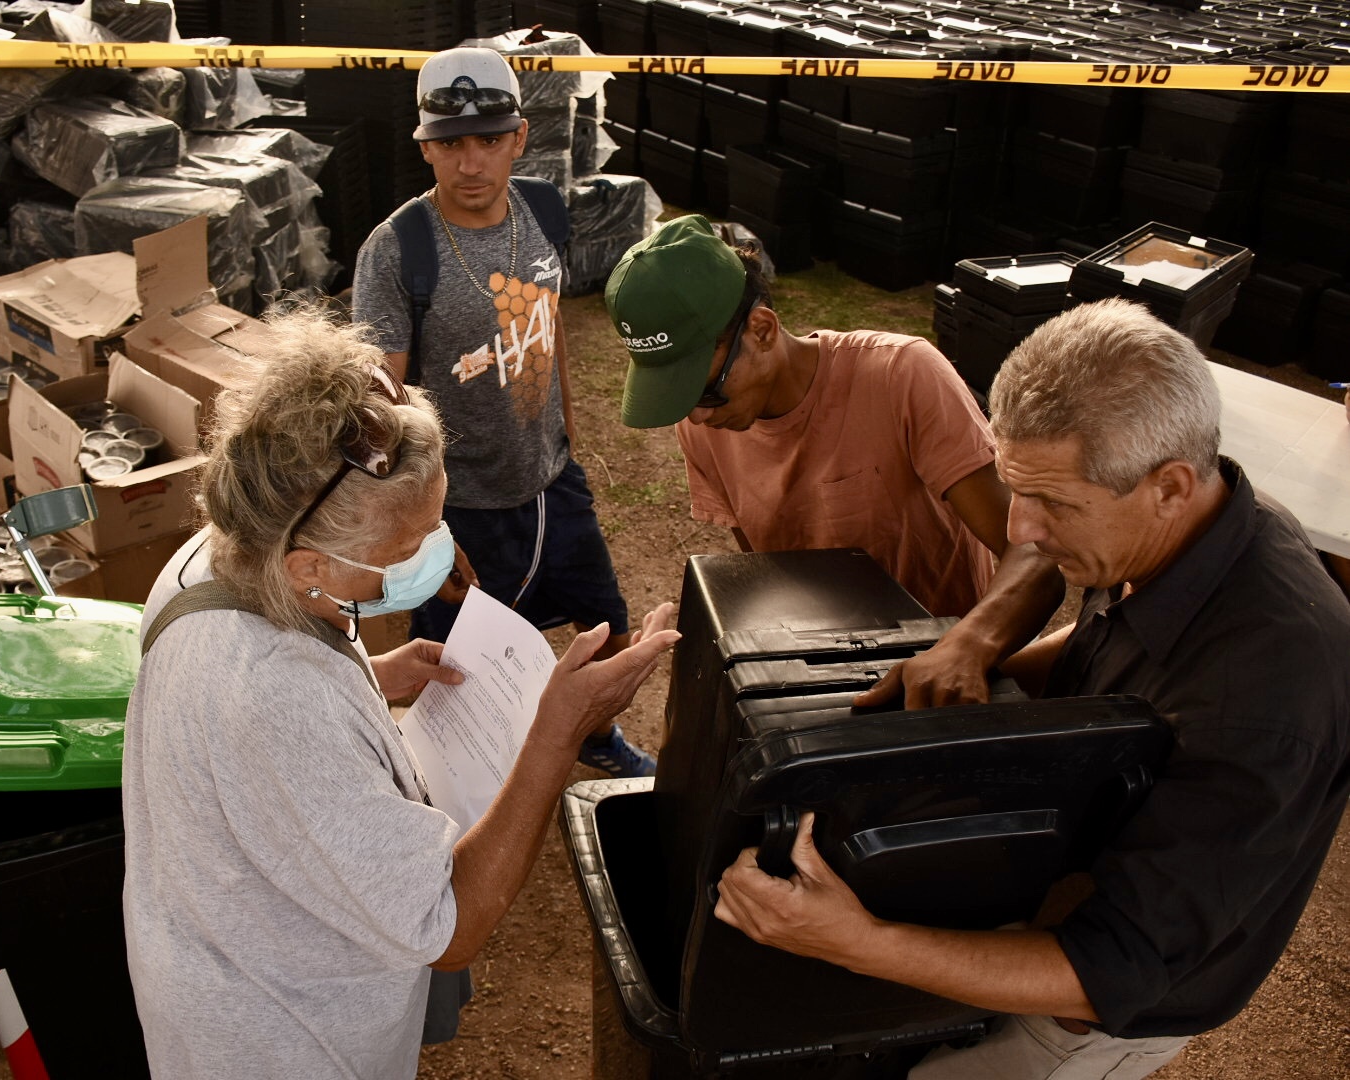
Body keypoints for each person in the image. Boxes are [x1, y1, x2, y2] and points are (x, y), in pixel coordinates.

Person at [713, 299, 1350, 1080]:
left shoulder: (1266, 698)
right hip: (1049, 895)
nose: (1020, 529)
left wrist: (853, 941)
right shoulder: (1178, 531)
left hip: (1076, 1017)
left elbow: (1106, 968)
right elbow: (1112, 650)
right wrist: (982, 665)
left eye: (1055, 503)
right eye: (1018, 487)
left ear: (1171, 485)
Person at [121, 308, 678, 1079]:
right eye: (410, 544)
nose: (439, 551)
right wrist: (557, 733)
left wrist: (371, 676)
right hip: (282, 1042)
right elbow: (446, 925)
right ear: (310, 567)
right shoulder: (276, 698)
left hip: (225, 956)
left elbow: (234, 737)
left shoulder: (223, 550)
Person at [606, 214, 1063, 704]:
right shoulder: (704, 428)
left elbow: (1039, 551)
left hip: (946, 676)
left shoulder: (902, 376)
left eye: (705, 390)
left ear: (762, 330)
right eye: (676, 398)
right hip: (833, 678)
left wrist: (968, 647)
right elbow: (770, 576)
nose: (695, 416)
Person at [351, 46, 657, 777]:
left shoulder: (547, 211)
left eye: (489, 139)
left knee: (605, 627)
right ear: (425, 147)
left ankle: (593, 738)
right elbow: (380, 411)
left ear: (520, 137)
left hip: (552, 483)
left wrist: (567, 438)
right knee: (456, 670)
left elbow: (547, 333)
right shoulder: (398, 250)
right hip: (460, 510)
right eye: (450, 143)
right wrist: (423, 533)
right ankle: (460, 790)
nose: (471, 162)